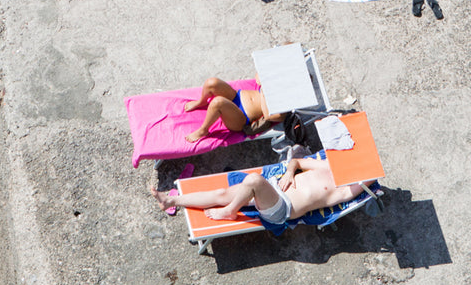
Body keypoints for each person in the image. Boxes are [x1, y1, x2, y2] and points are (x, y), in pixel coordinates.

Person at [150, 157, 369, 223]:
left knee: (254, 180)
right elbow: (296, 161)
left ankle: (230, 211)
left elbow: (367, 182)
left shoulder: (343, 190)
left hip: (283, 208)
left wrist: (371, 174)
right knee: (221, 194)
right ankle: (170, 201)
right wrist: (290, 172)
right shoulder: (327, 165)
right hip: (273, 187)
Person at [179, 76, 282, 143]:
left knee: (218, 102)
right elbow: (258, 75)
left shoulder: (287, 106)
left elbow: (270, 116)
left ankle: (203, 130)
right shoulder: (280, 81)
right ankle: (202, 101)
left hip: (241, 117)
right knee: (212, 82)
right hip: (237, 96)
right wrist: (262, 79)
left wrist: (263, 93)